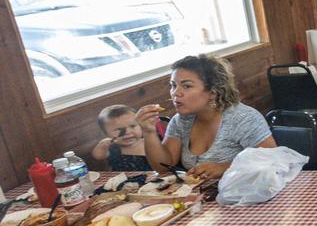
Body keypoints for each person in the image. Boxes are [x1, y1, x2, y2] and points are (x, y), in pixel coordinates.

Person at [136, 54, 276, 180]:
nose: (175, 93)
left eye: (187, 86)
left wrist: (225, 167)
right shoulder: (180, 121)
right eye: (173, 85)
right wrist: (149, 132)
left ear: (213, 92)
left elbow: (272, 160)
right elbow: (163, 167)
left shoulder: (243, 118)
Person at [91, 104, 150, 171]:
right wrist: (102, 145)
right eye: (119, 129)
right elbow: (98, 156)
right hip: (125, 180)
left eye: (132, 126)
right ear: (106, 134)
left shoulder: (149, 141)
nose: (127, 132)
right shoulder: (112, 148)